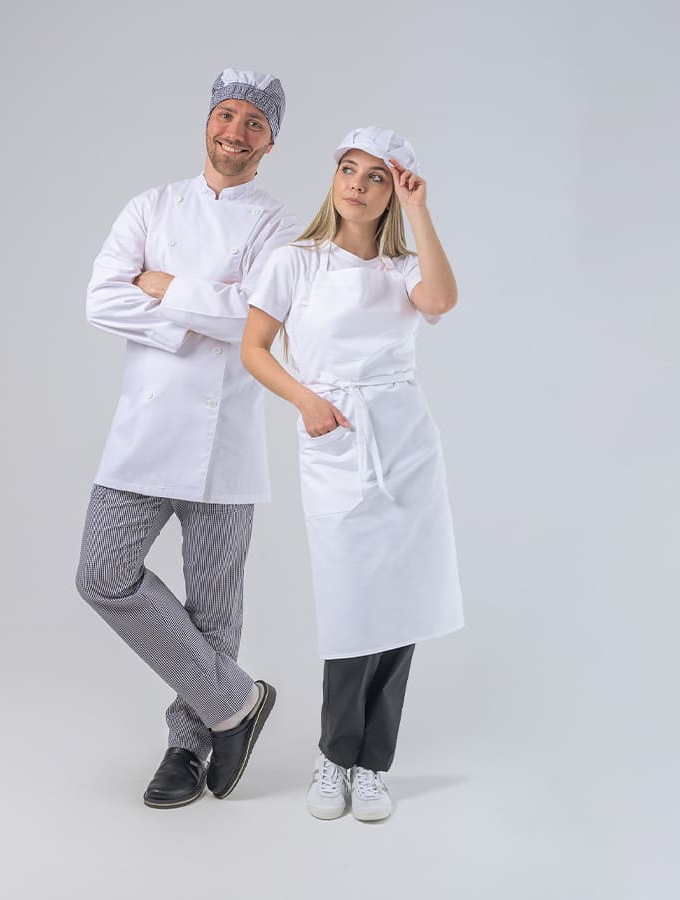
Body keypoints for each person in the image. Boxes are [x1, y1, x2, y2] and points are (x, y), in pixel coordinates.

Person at [75, 68, 300, 808]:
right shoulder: (151, 205)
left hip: (225, 440)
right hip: (144, 431)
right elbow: (101, 298)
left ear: (271, 141)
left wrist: (163, 285)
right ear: (208, 121)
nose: (235, 132)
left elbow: (253, 321)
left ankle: (186, 745)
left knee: (214, 610)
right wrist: (209, 315)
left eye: (254, 124)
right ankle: (236, 701)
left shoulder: (275, 224)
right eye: (226, 116)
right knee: (103, 574)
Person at [241, 126, 464, 822]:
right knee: (350, 603)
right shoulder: (295, 262)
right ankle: (333, 755)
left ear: (393, 192)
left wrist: (421, 210)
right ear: (333, 177)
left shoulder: (402, 270)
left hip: (404, 442)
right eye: (348, 170)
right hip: (337, 438)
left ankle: (373, 766)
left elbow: (442, 301)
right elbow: (254, 348)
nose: (357, 186)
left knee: (405, 604)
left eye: (376, 177)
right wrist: (307, 400)